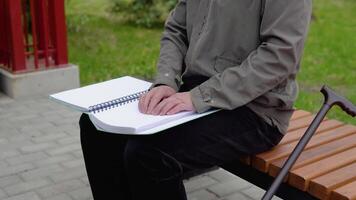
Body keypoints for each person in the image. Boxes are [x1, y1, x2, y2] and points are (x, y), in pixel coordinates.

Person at [79, 0, 312, 199]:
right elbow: (176, 29)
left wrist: (199, 96)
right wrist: (166, 80)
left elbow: (279, 56)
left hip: (257, 110)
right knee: (95, 128)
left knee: (149, 155)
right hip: (196, 93)